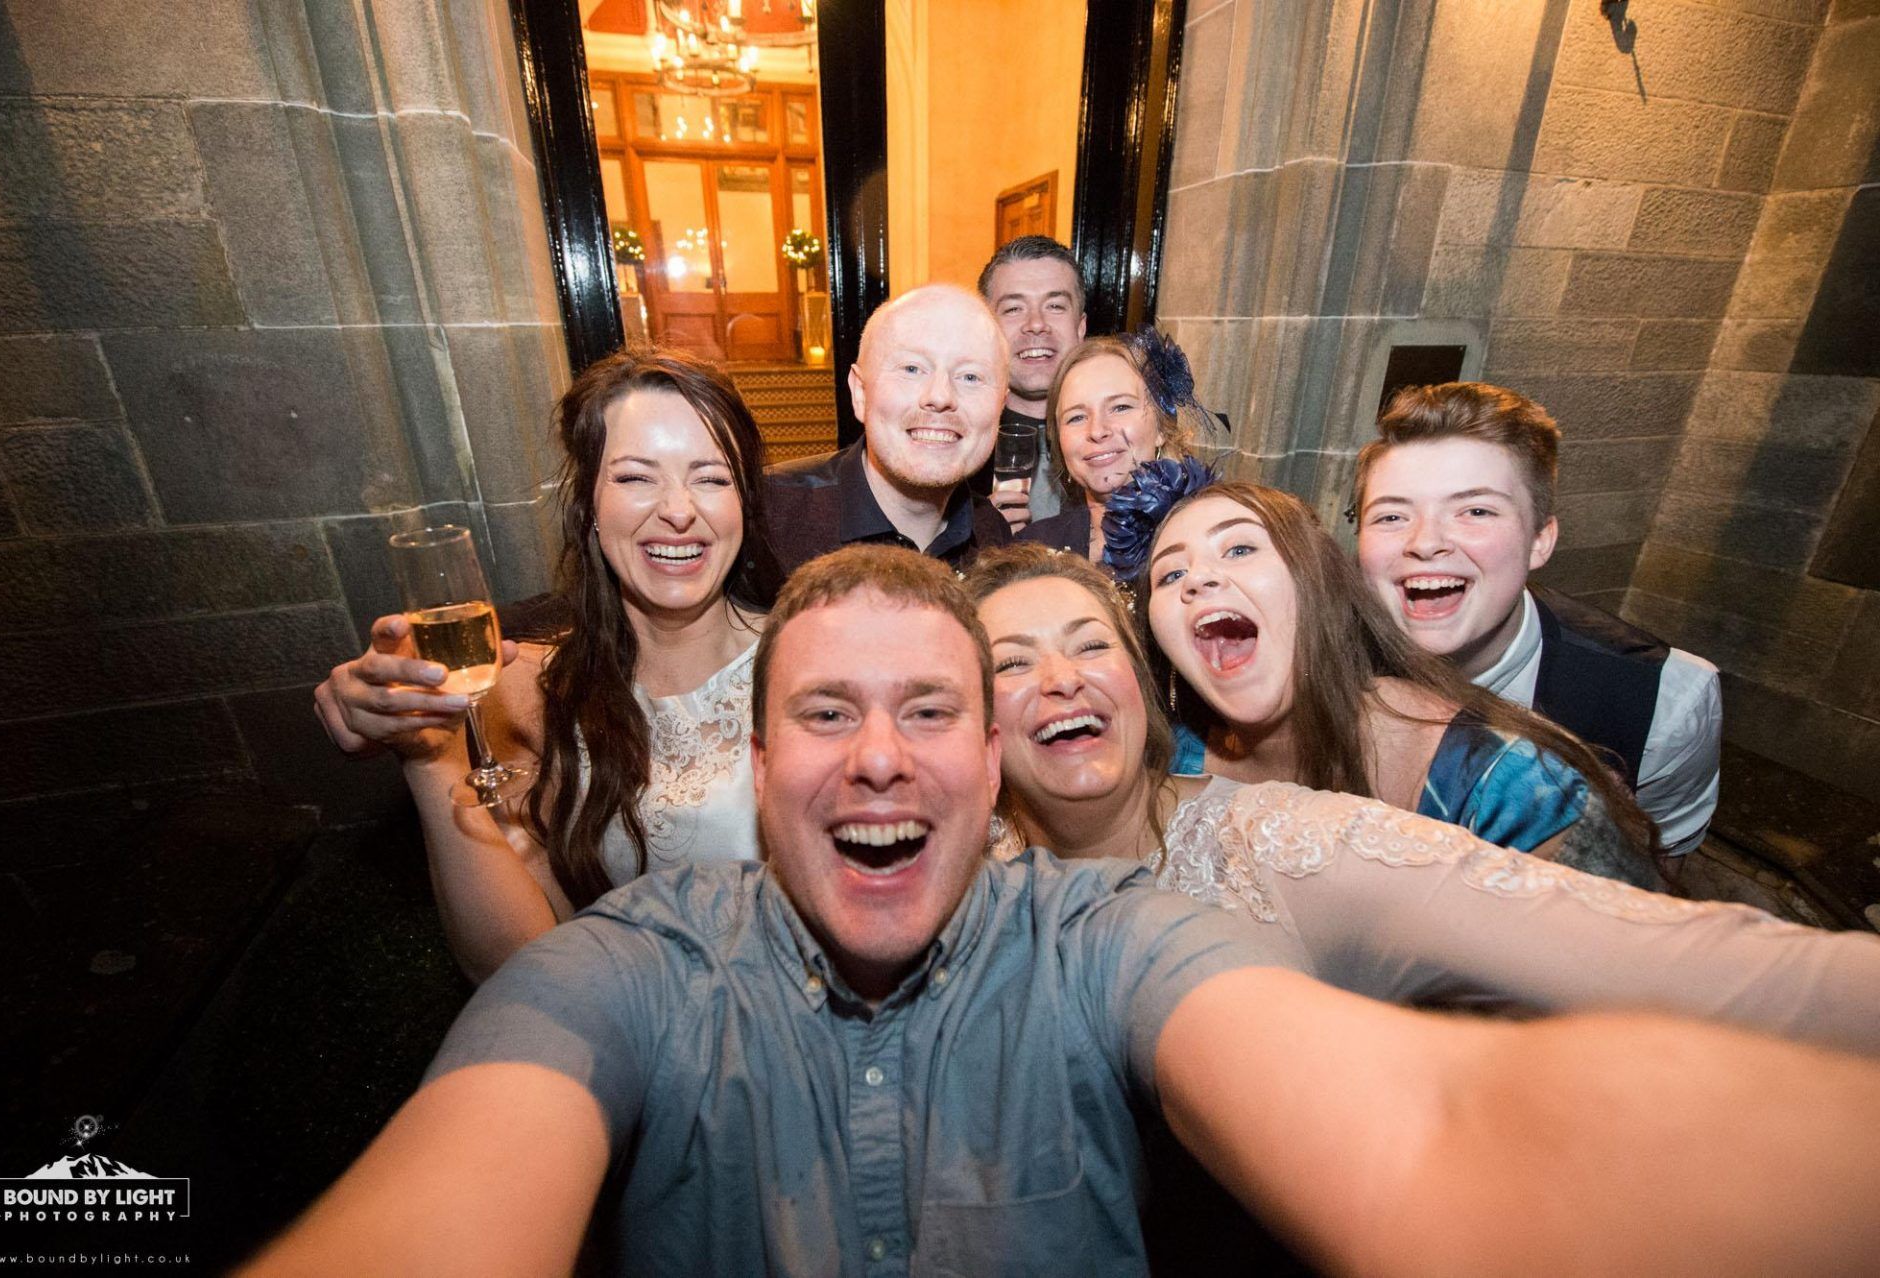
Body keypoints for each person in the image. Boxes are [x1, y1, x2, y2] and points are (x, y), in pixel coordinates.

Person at [251, 545, 1880, 1277]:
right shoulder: (630, 967)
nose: (879, 752)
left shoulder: (1115, 928)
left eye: (930, 707)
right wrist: (435, 738)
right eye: (827, 713)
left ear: (989, 757)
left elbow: (1446, 1135)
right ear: (749, 764)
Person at [965, 543, 1880, 1049]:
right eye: (1010, 662)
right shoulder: (959, 867)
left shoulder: (1279, 836)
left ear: (1141, 683)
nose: (1058, 678)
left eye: (1091, 646)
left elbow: (1659, 956)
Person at [311, 350, 780, 983]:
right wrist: (429, 756)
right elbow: (518, 967)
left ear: (745, 504)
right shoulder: (538, 690)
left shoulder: (806, 663)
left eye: (712, 477)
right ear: (587, 503)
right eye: (636, 477)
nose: (677, 509)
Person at [1107, 462, 1661, 887]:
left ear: (1317, 582)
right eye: (1171, 572)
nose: (1198, 579)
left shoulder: (1513, 793)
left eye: (1240, 548)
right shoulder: (1167, 757)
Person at [1354, 381, 1722, 860]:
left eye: (1475, 510)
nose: (1425, 542)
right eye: (1391, 517)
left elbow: (1656, 867)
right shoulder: (1307, 657)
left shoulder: (1662, 700)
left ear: (1540, 540)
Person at [763, 284, 1013, 573]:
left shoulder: (993, 539)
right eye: (912, 369)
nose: (941, 396)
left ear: (1000, 405)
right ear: (860, 393)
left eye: (970, 376)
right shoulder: (768, 519)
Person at [1016, 329, 1194, 562]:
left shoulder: (1201, 533)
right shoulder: (1032, 550)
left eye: (1120, 407)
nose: (1098, 431)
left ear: (1161, 427)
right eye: (1076, 417)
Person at [975, 235, 1090, 531]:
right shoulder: (955, 449)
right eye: (1014, 309)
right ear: (986, 330)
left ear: (1081, 327)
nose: (1036, 324)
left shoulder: (1115, 442)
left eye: (1055, 306)